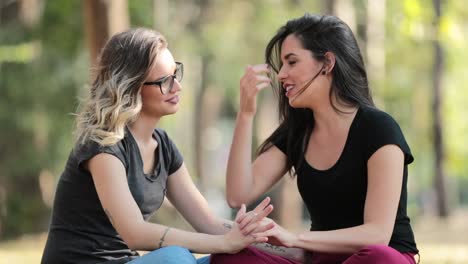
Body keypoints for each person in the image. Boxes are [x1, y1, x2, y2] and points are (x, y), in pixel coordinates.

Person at [40, 28, 275, 264]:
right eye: (164, 81)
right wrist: (224, 243)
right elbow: (135, 233)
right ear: (131, 87)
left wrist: (278, 242)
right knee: (176, 258)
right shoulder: (103, 145)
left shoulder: (162, 146)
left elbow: (209, 224)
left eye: (176, 74)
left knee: (244, 259)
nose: (177, 87)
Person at [214, 14, 419, 264]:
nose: (281, 75)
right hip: (320, 259)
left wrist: (294, 238)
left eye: (292, 62)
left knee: (380, 258)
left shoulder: (379, 129)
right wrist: (245, 114)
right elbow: (238, 195)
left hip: (378, 257)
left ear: (327, 63)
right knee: (230, 256)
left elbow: (377, 235)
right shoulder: (298, 132)